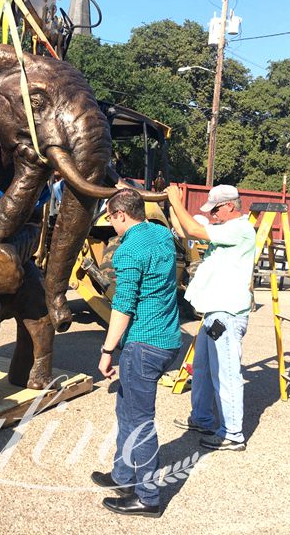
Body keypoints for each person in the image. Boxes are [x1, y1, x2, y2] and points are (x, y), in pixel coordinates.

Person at [92, 188, 182, 518]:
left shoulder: (127, 252)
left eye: (111, 218)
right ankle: (122, 475)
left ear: (120, 215)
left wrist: (107, 351)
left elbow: (123, 306)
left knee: (141, 420)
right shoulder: (160, 234)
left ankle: (147, 495)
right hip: (168, 338)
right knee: (126, 406)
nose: (111, 225)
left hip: (144, 343)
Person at [166, 184, 256, 452]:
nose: (213, 215)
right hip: (214, 313)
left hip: (227, 315)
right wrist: (173, 205)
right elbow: (185, 230)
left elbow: (194, 229)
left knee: (226, 375)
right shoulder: (226, 230)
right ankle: (202, 418)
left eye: (215, 209)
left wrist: (176, 201)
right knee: (203, 370)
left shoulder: (239, 229)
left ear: (230, 205)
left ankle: (233, 433)